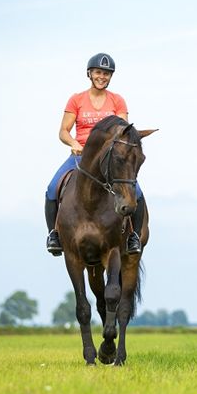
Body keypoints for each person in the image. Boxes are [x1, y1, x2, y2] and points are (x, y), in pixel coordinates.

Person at [44, 52, 144, 256]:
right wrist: (73, 143)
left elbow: (123, 130)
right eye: (99, 72)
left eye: (107, 74)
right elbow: (63, 131)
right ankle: (54, 234)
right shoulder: (77, 100)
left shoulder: (117, 101)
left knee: (138, 192)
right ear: (90, 74)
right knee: (52, 188)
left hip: (109, 159)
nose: (102, 77)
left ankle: (134, 236)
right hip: (81, 156)